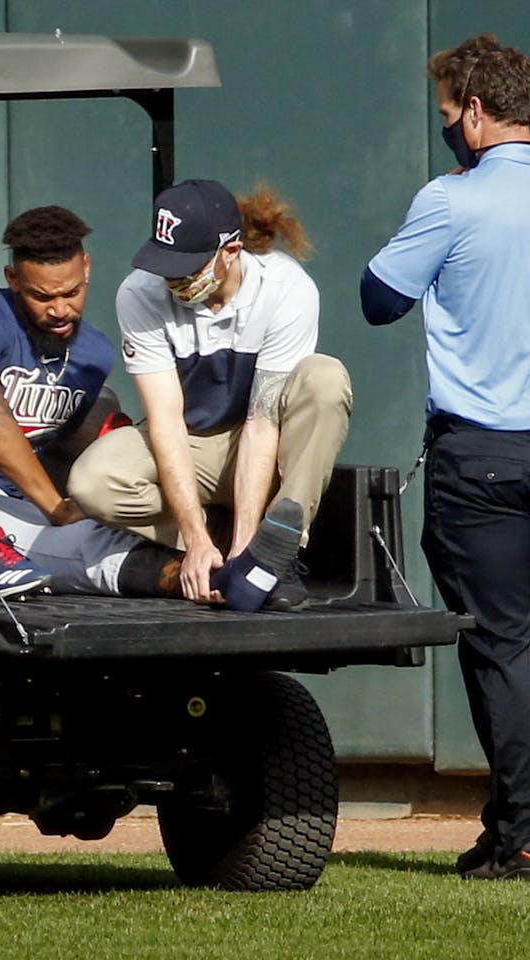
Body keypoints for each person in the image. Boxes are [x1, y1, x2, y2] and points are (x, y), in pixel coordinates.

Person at [361, 39, 530, 880]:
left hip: (488, 458)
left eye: (446, 115)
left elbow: (378, 298)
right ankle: (512, 826)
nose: (445, 131)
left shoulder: (452, 200)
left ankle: (522, 835)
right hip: (490, 455)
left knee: (503, 649)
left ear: (472, 110)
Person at [68, 180, 352, 612]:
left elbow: (262, 423)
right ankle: (212, 546)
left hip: (261, 441)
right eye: (166, 265)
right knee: (92, 481)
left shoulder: (286, 287)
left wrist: (245, 550)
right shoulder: (139, 293)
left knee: (325, 378)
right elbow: (165, 420)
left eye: (187, 267)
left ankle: (275, 552)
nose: (172, 279)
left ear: (231, 252)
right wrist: (196, 538)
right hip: (194, 443)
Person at [0, 206, 183, 599]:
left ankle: (227, 578)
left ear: (86, 268)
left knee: (102, 550)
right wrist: (55, 507)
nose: (59, 309)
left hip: (26, 509)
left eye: (71, 292)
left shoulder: (95, 354)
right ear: (13, 279)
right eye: (42, 296)